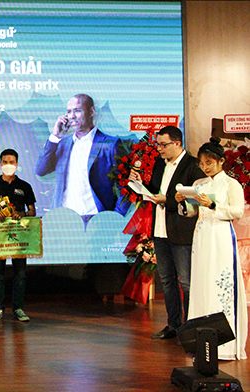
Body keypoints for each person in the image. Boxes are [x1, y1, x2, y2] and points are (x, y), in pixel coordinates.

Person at [129, 126, 206, 339]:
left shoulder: (192, 166)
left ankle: (190, 327)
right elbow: (155, 192)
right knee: (167, 280)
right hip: (160, 229)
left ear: (178, 143)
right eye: (158, 145)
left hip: (181, 231)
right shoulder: (158, 165)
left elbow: (196, 200)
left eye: (164, 145)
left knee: (186, 281)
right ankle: (173, 325)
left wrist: (168, 200)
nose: (160, 149)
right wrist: (139, 184)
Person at [176, 137, 247, 360]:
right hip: (202, 235)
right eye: (202, 163)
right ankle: (200, 341)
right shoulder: (199, 185)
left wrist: (213, 204)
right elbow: (191, 213)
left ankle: (225, 345)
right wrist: (183, 201)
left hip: (221, 235)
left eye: (210, 162)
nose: (205, 167)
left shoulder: (231, 184)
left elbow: (238, 212)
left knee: (221, 283)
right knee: (201, 283)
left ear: (221, 161)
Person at [35, 93, 128, 222]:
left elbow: (127, 186)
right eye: (68, 112)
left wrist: (115, 218)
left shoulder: (110, 144)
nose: (72, 116)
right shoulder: (62, 144)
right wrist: (55, 136)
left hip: (96, 219)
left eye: (77, 110)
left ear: (91, 112)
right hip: (64, 218)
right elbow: (41, 169)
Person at [0, 149, 36, 322]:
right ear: (0, 164)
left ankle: (18, 308)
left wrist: (22, 214)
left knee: (20, 274)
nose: (8, 165)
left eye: (11, 162)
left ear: (17, 164)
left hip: (19, 237)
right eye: (5, 162)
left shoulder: (24, 186)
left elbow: (32, 211)